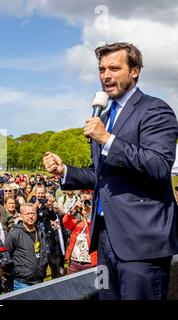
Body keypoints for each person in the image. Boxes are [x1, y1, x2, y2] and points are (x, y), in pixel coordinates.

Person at [43, 42, 178, 300]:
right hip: (106, 238)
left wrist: (107, 139)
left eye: (115, 68)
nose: (106, 76)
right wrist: (64, 171)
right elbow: (101, 175)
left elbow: (160, 165)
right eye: (101, 69)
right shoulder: (103, 117)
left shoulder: (155, 110)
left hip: (142, 244)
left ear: (135, 70)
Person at [5, 203, 48, 289]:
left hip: (39, 280)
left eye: (33, 213)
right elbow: (6, 256)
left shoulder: (40, 232)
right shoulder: (14, 233)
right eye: (27, 214)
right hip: (22, 283)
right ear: (21, 216)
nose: (30, 216)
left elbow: (44, 252)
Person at [63, 196, 97, 274]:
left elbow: (90, 226)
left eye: (87, 209)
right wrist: (74, 208)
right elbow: (65, 221)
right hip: (74, 264)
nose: (85, 211)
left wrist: (89, 213)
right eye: (84, 209)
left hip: (89, 264)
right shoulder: (78, 223)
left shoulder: (96, 224)